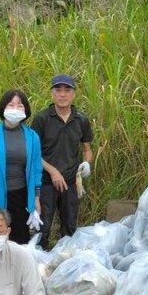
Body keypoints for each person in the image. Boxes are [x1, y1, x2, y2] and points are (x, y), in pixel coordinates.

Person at [31, 73, 94, 250]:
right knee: (42, 226)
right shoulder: (42, 119)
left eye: (67, 90)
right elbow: (33, 153)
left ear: (73, 94)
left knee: (69, 226)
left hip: (71, 181)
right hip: (45, 182)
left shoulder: (81, 120)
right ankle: (38, 262)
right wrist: (53, 171)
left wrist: (87, 163)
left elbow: (87, 149)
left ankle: (65, 262)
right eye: (58, 90)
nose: (62, 94)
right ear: (52, 93)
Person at [0, 89, 44, 245]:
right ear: (2, 108)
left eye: (20, 106)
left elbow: (36, 170)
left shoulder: (32, 137)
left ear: (25, 110)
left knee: (19, 240)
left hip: (21, 196)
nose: (15, 109)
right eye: (11, 105)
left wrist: (36, 198)